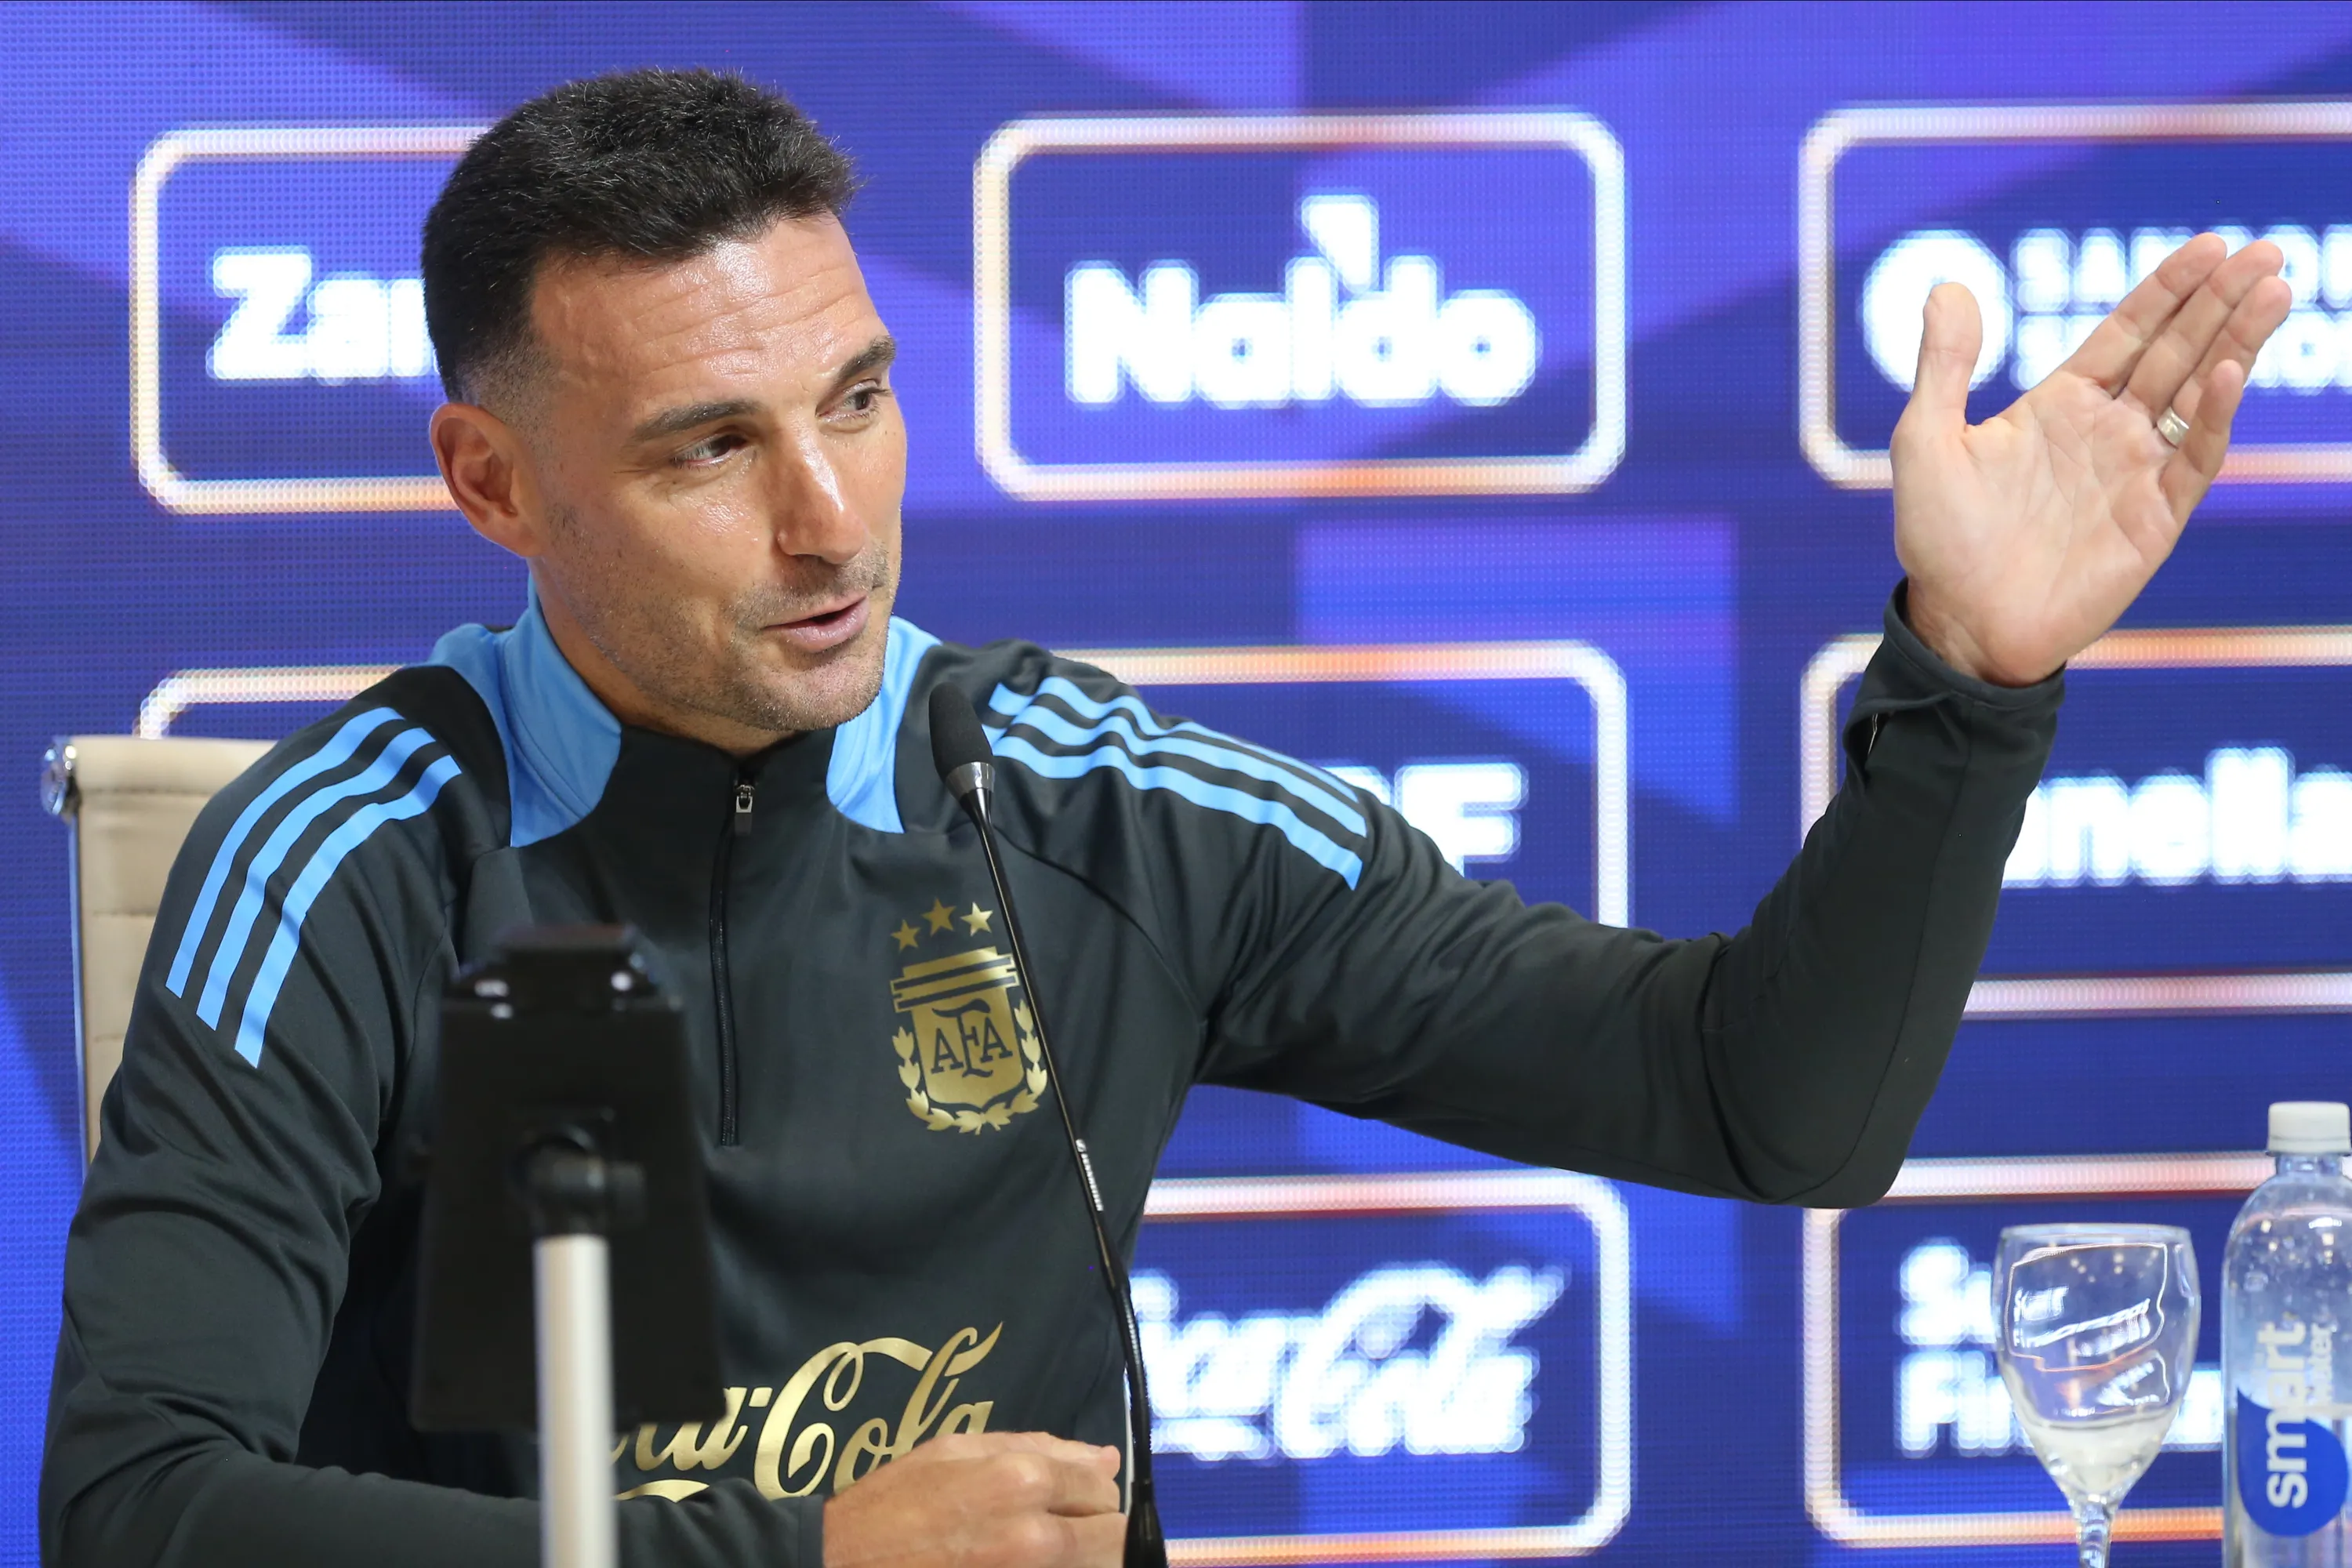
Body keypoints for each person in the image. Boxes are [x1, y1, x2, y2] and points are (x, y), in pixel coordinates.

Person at [42, 68, 2288, 1568]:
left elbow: (1759, 1105)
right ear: (488, 482)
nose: (833, 523)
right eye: (709, 450)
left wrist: (1973, 693)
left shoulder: (1100, 804)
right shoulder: (339, 856)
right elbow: (138, 1500)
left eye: (861, 400)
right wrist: (796, 1553)